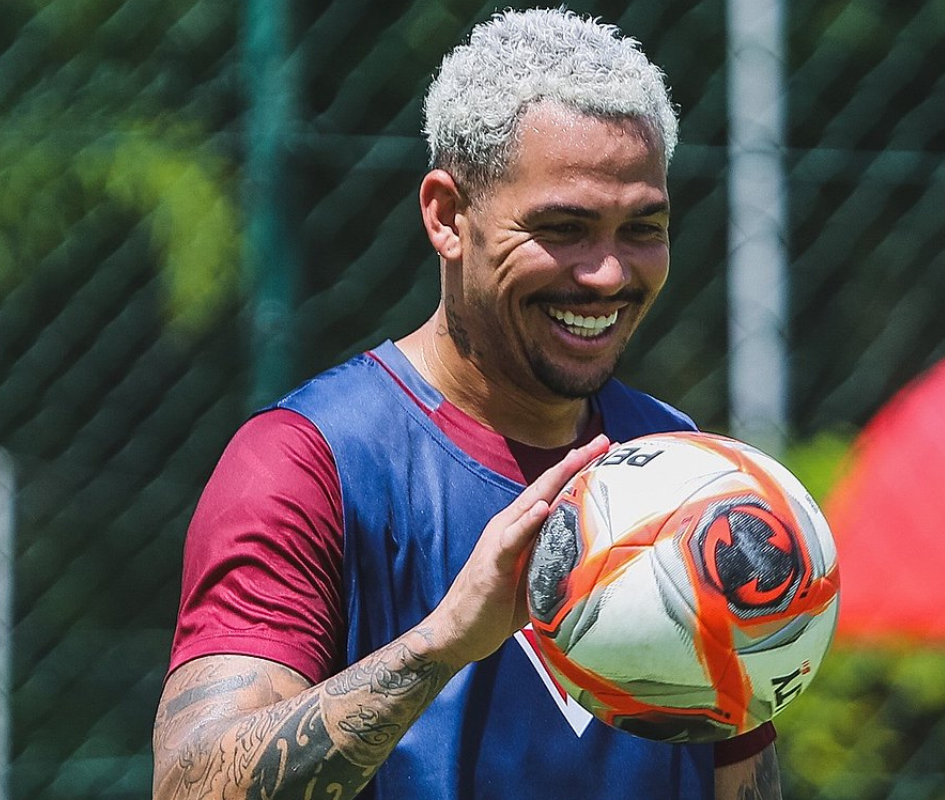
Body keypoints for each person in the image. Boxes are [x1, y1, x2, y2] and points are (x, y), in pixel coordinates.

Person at [152, 8, 781, 800]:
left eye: (642, 228)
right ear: (448, 216)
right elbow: (190, 786)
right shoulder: (308, 463)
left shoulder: (687, 471)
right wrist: (446, 642)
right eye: (564, 227)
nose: (609, 274)